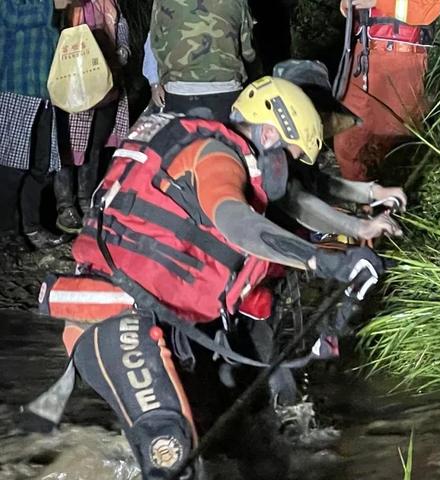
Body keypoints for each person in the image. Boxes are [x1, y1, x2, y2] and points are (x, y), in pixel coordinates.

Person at [34, 77, 406, 479]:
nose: (288, 167)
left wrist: (360, 220)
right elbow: (237, 224)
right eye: (289, 154)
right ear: (267, 134)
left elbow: (295, 199)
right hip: (119, 324)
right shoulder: (215, 157)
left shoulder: (234, 153)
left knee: (232, 438)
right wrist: (319, 260)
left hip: (161, 320)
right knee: (173, 456)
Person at [333, 0, 440, 180]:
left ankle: (389, 203)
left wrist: (377, 1)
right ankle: (362, 199)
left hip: (401, 59)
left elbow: (429, 9)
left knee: (392, 145)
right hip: (362, 55)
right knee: (347, 138)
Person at [53, 0, 130, 233]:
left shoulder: (107, 2)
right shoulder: (66, 5)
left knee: (96, 144)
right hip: (73, 83)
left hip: (106, 81)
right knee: (67, 147)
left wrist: (123, 49)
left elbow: (120, 25)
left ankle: (86, 201)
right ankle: (65, 206)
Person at [0, 0, 72, 249]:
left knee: (41, 165)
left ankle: (31, 226)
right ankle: (7, 229)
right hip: (16, 82)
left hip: (44, 86)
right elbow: (10, 14)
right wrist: (52, 4)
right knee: (12, 165)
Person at [143, 0, 257, 122]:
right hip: (226, 89)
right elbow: (248, 53)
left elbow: (154, 43)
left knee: (184, 140)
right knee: (225, 140)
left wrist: (154, 83)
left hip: (179, 91)